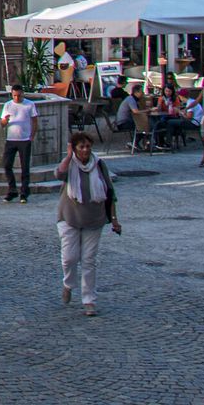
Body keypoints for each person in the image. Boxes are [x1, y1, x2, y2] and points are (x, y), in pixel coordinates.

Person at [55, 131, 119, 317]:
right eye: (81, 147)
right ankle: (68, 284)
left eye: (88, 147)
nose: (85, 150)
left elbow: (110, 192)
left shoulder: (98, 164)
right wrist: (68, 156)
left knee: (89, 260)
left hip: (94, 218)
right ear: (74, 148)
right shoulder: (71, 164)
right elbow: (59, 174)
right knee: (69, 258)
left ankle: (89, 300)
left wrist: (114, 219)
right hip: (69, 216)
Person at [0, 84, 38, 203]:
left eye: (19, 95)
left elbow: (35, 121)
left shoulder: (29, 104)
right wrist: (5, 121)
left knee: (24, 167)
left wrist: (32, 135)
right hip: (11, 139)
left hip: (24, 139)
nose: (17, 98)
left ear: (23, 94)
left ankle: (24, 192)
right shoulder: (8, 105)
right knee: (7, 165)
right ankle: (12, 190)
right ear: (12, 94)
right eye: (14, 95)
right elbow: (2, 123)